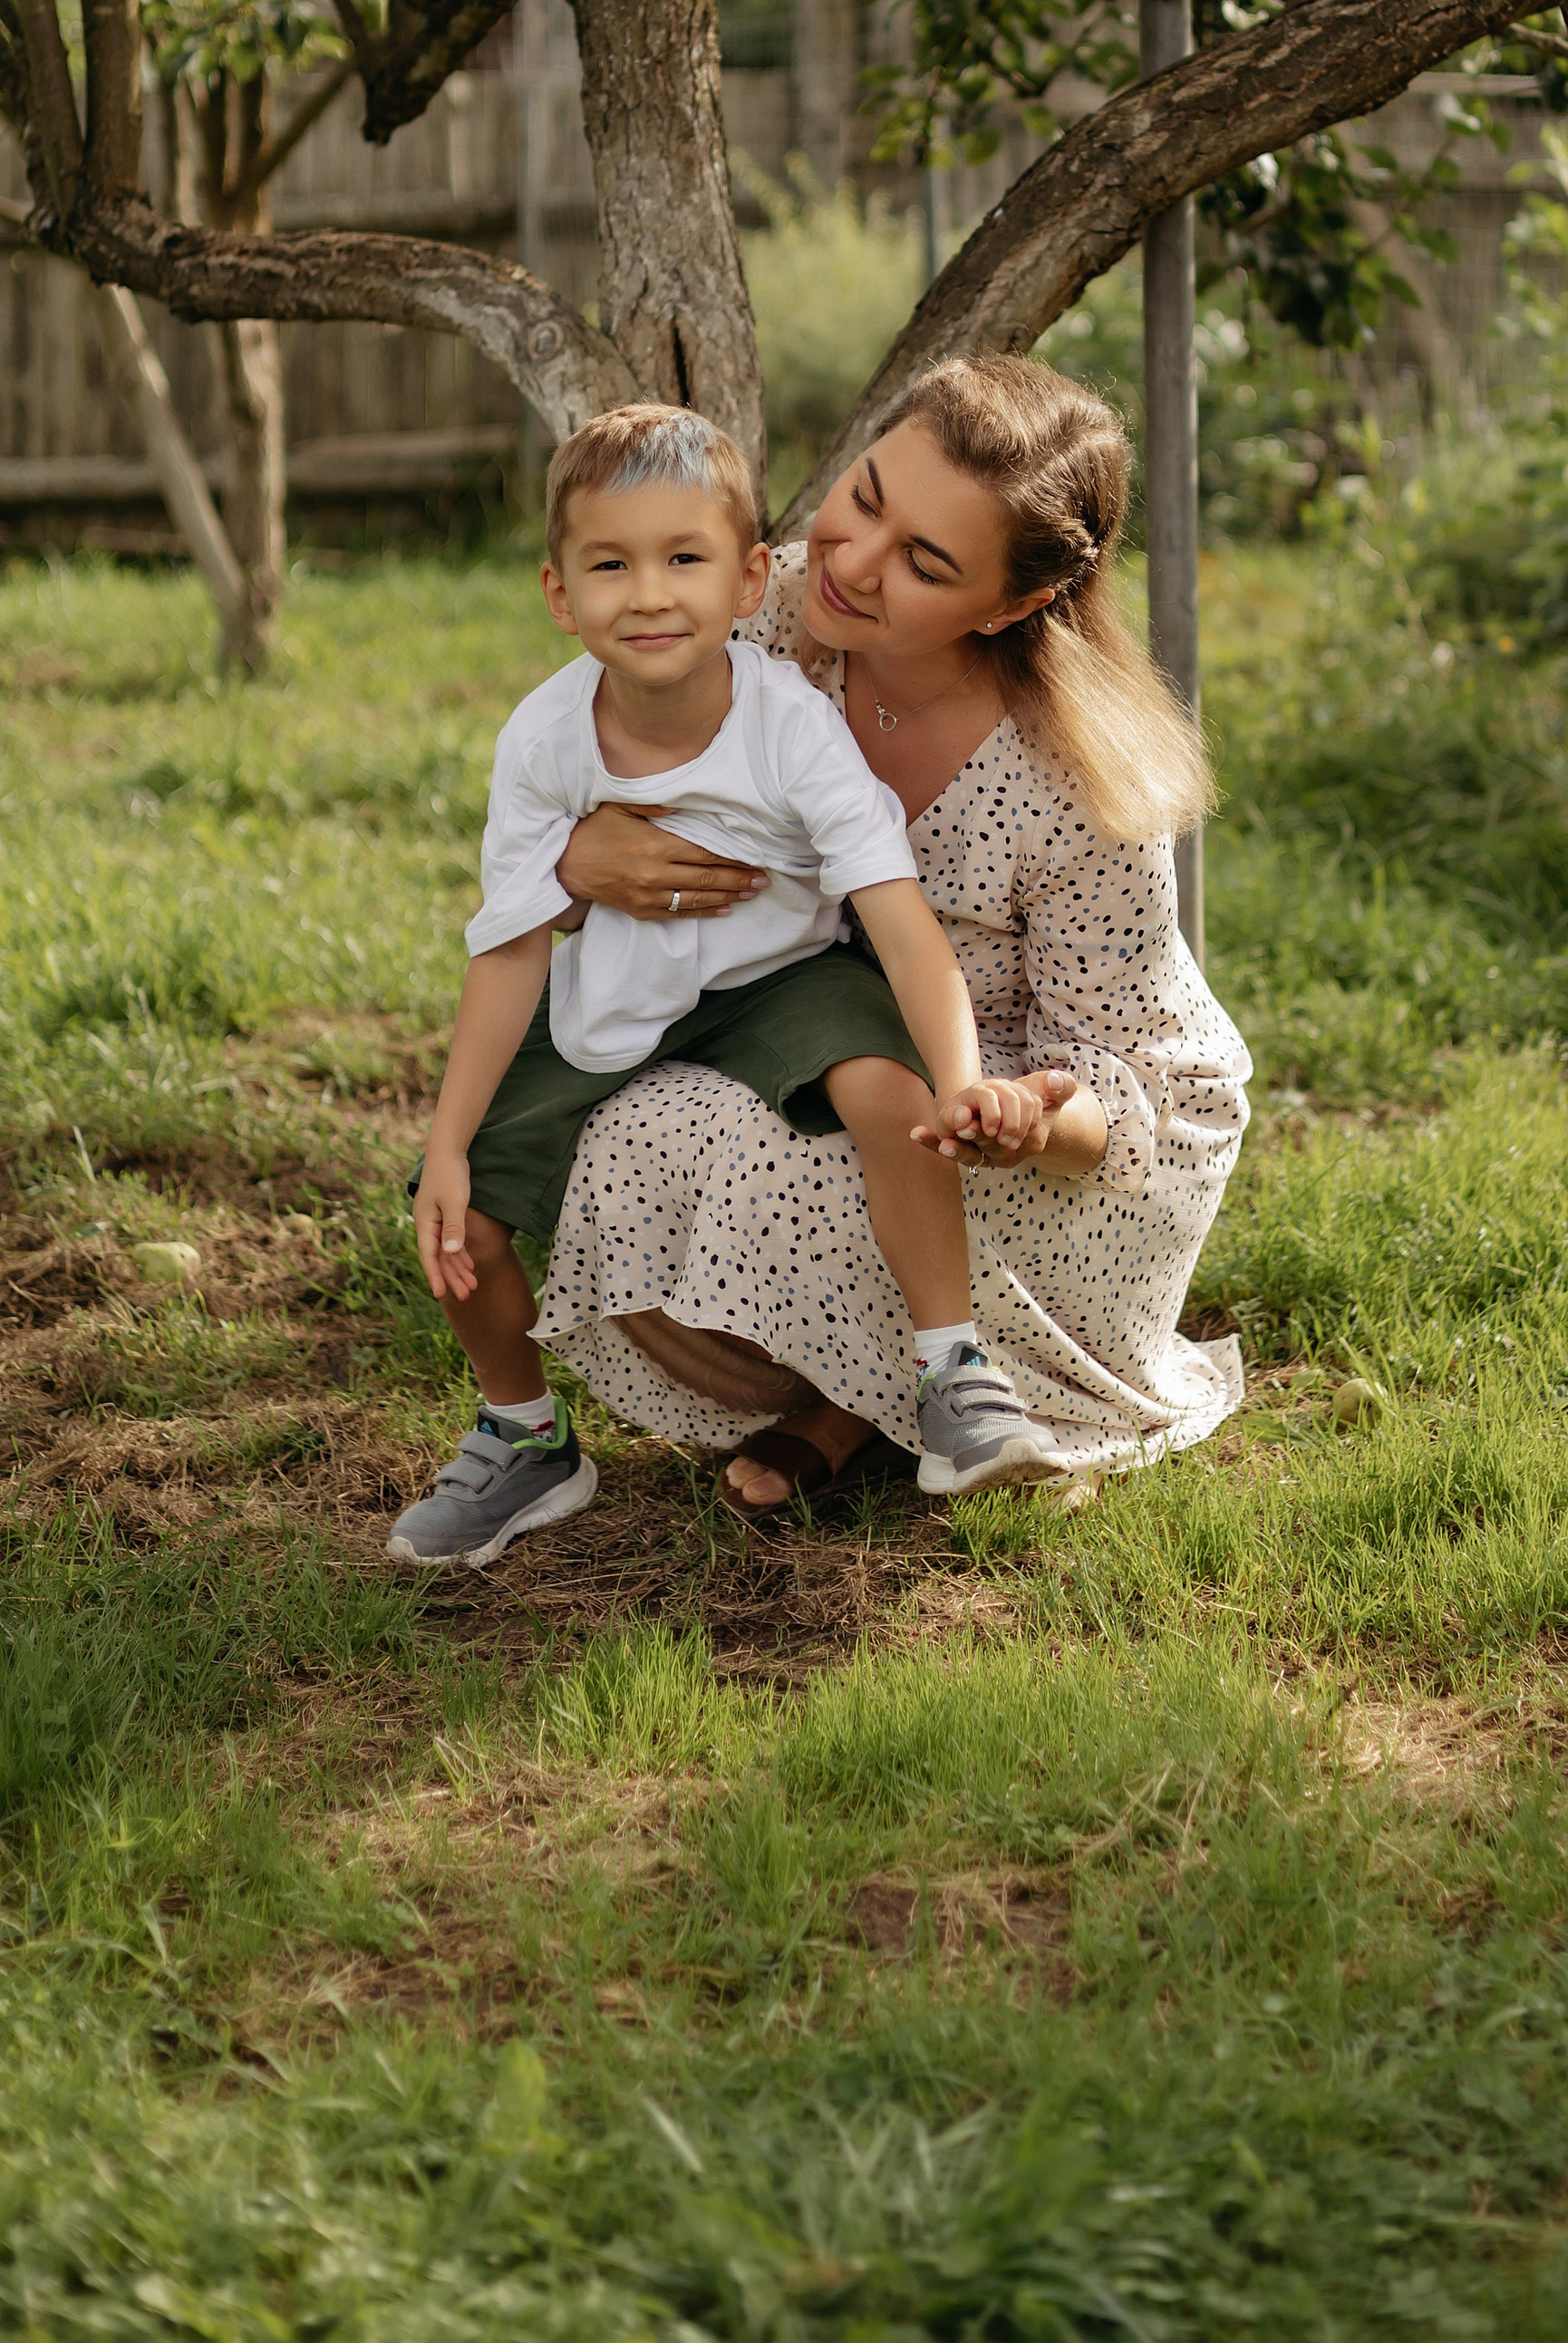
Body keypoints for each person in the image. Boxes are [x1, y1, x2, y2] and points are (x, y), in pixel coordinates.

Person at [528, 355, 1252, 1520]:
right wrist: (577, 859)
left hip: (1049, 1128)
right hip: (792, 1031)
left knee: (816, 1145)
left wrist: (1018, 1119)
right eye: (864, 498)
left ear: (1013, 604)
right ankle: (857, 1389)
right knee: (614, 1130)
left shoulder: (1078, 780)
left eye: (925, 562)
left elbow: (1127, 1092)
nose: (853, 565)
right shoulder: (757, 613)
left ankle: (892, 1401)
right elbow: (564, 776)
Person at [387, 402, 1068, 1573]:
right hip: (612, 995)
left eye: (684, 559)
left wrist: (962, 1083)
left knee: (881, 1081)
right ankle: (524, 1434)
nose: (648, 594)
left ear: (751, 580)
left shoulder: (789, 726)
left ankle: (954, 1375)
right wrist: (448, 1141)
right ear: (560, 593)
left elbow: (902, 928)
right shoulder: (545, 739)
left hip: (780, 978)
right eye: (611, 564)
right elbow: (510, 951)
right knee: (458, 1218)